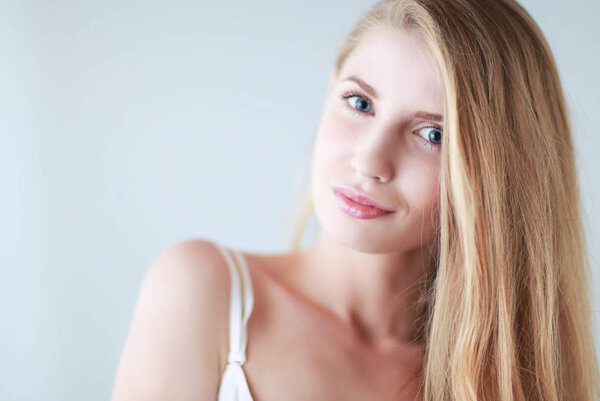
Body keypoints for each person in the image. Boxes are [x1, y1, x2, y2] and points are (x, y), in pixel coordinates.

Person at [110, 0, 600, 400]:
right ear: (330, 90)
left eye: (432, 134)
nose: (370, 162)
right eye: (360, 103)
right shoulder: (206, 292)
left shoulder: (514, 377)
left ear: (499, 177)